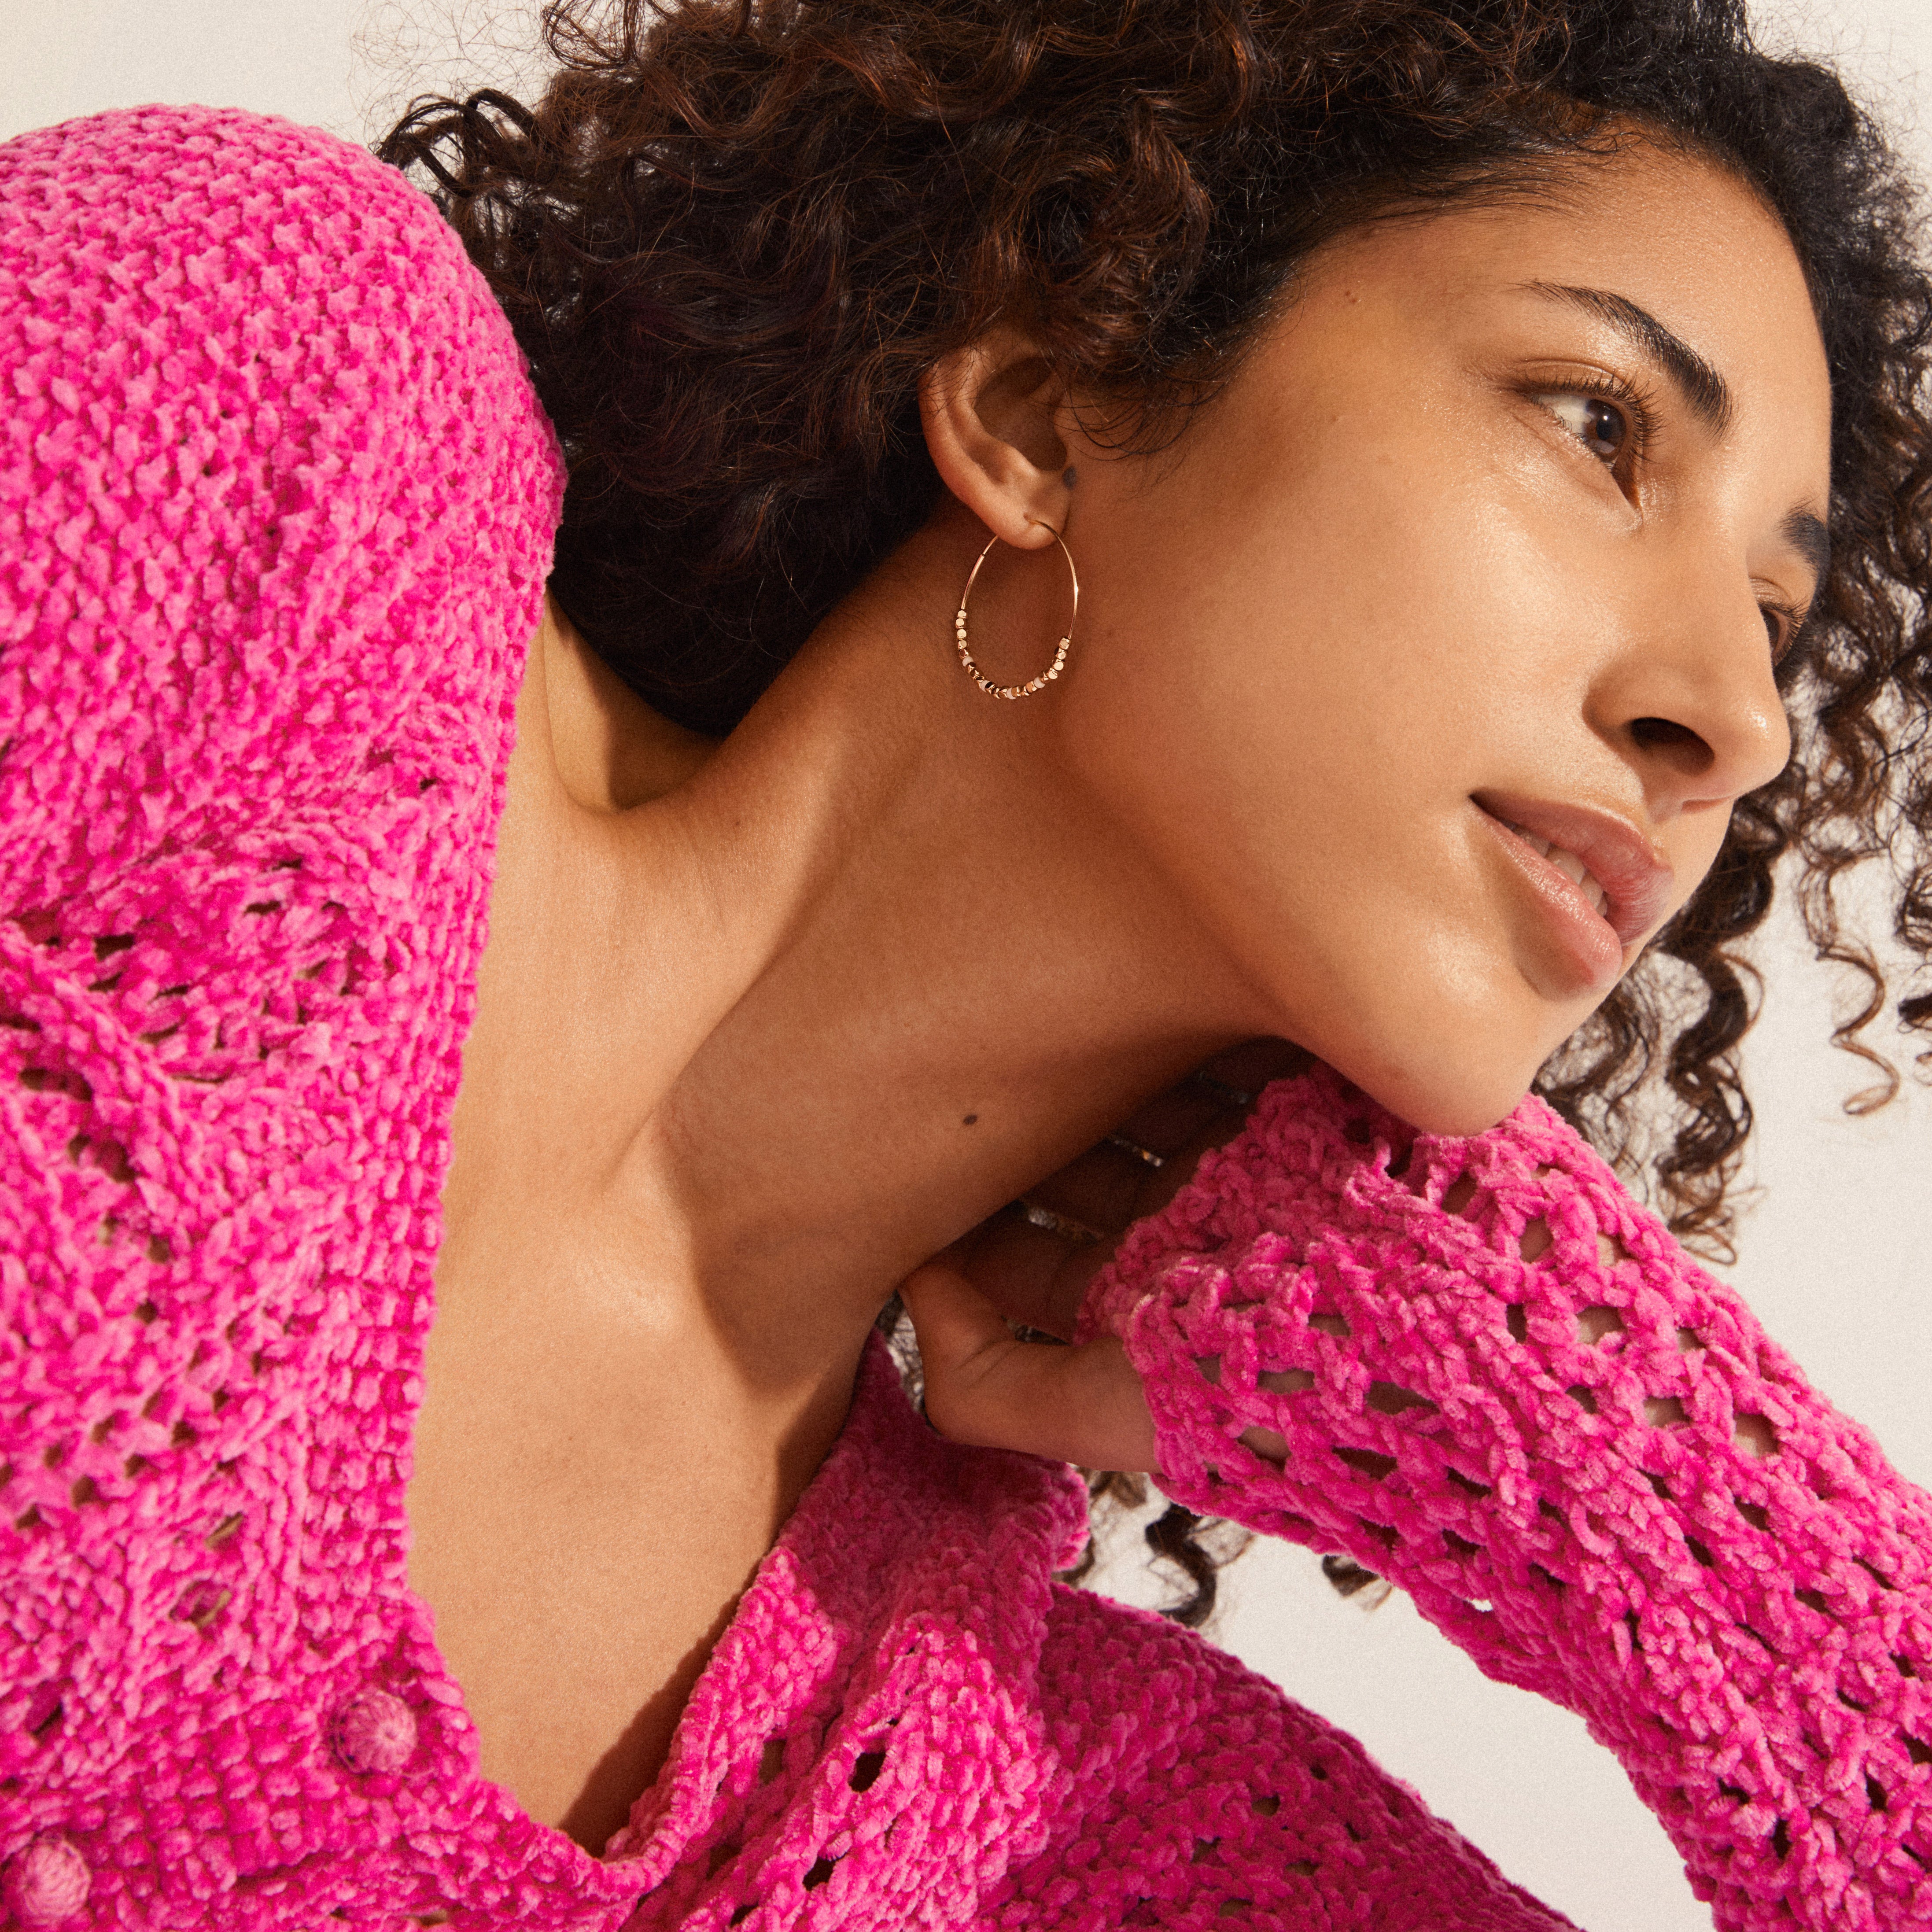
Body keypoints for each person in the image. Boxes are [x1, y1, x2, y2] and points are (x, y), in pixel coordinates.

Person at [2, 0, 1929, 1925]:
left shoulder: (1039, 1822)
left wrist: (1606, 1430)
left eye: (1773, 614)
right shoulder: (280, 459)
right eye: (1596, 424)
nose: (1740, 725)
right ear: (1041, 401)